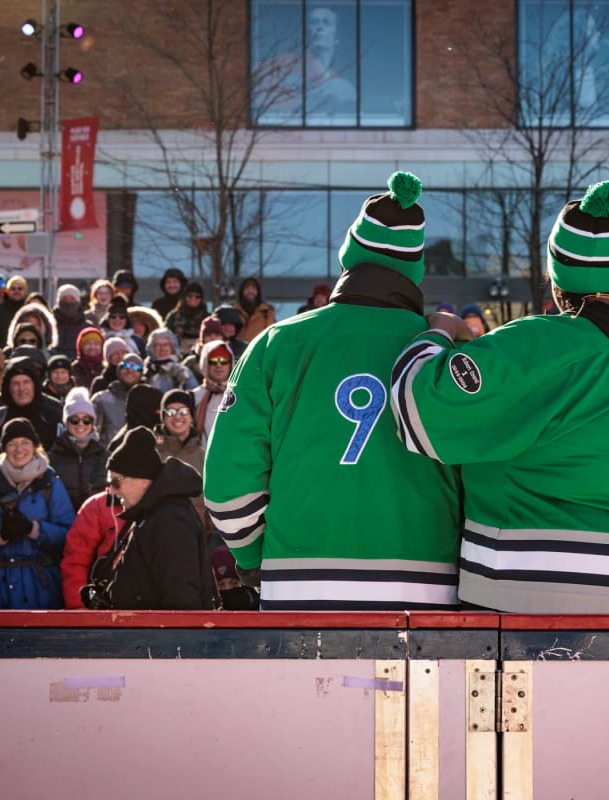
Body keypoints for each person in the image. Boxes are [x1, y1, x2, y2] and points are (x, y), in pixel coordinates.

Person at [388, 180, 609, 612]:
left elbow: (421, 407)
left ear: (558, 277)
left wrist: (439, 331)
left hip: (533, 578)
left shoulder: (548, 341)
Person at [206, 172, 464, 609]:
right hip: (426, 583)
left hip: (299, 583)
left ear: (349, 259)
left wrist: (255, 558)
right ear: (414, 269)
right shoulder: (445, 353)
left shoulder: (274, 344)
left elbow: (227, 484)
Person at [86, 426, 216, 610]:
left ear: (143, 480)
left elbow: (182, 600)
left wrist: (173, 639)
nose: (112, 491)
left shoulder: (170, 521)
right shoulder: (152, 515)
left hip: (163, 637)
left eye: (116, 482)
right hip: (146, 636)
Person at [0, 418, 76, 609]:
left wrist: (34, 529)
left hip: (41, 583)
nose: (18, 449)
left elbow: (68, 532)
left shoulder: (50, 483)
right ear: (4, 448)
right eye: (12, 444)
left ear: (35, 446)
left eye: (25, 443)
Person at [0, 356, 65, 476]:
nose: (21, 389)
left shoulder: (53, 415)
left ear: (35, 385)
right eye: (15, 383)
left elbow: (62, 458)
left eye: (26, 382)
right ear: (8, 388)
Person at [60, 490, 125, 609]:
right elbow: (76, 559)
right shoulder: (97, 506)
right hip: (100, 604)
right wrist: (78, 605)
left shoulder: (161, 505)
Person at [48, 388, 107, 512]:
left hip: (95, 523)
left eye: (86, 420)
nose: (81, 425)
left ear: (92, 423)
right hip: (63, 525)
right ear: (66, 422)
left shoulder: (104, 456)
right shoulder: (52, 458)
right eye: (74, 419)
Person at [93, 353, 145, 446]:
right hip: (108, 454)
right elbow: (92, 431)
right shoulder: (101, 399)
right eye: (126, 366)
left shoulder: (148, 400)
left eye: (136, 368)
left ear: (141, 373)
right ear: (119, 369)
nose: (130, 370)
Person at [192, 339, 234, 443]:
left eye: (224, 360)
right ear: (205, 364)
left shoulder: (241, 395)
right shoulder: (194, 396)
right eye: (213, 360)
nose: (218, 365)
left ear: (231, 364)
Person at [156, 389, 205, 475]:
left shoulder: (203, 456)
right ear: (163, 417)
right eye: (170, 412)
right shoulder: (152, 452)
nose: (177, 417)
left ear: (191, 416)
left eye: (183, 411)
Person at [163, 282, 209, 355]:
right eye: (190, 296)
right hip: (177, 353)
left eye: (197, 296)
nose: (193, 298)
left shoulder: (207, 318)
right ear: (184, 297)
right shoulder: (174, 316)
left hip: (201, 353)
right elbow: (164, 335)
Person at [0, 274, 28, 345]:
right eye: (13, 288)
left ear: (25, 292)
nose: (16, 291)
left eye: (20, 289)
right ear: (7, 291)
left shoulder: (30, 310)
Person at [51, 284, 88, 360]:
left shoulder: (86, 327)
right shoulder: (50, 324)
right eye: (64, 299)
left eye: (72, 299)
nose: (68, 302)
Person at [234, 277, 274, 342]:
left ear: (258, 292)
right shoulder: (233, 310)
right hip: (237, 351)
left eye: (253, 288)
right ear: (242, 292)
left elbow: (270, 335)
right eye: (247, 288)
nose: (250, 291)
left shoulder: (266, 312)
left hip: (258, 350)